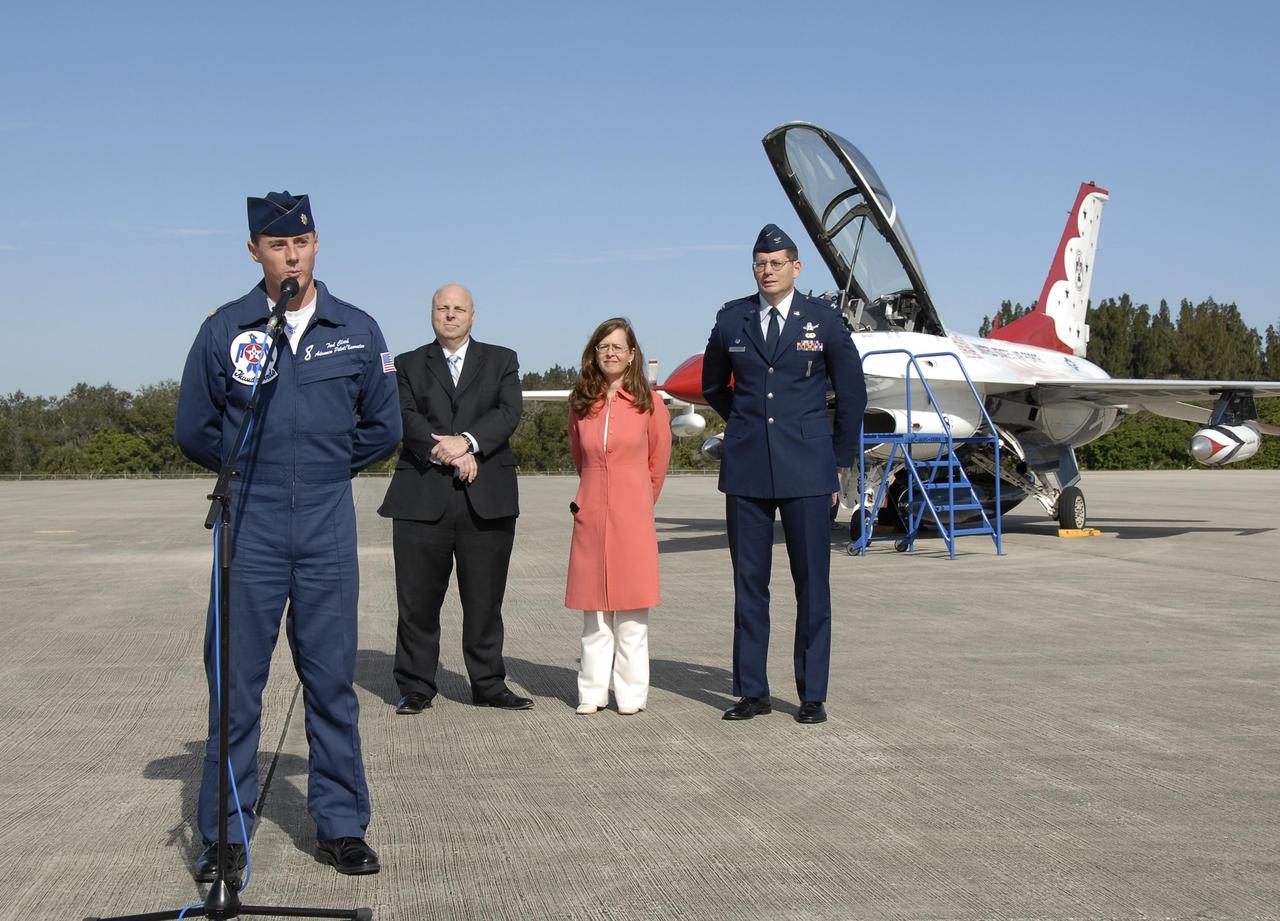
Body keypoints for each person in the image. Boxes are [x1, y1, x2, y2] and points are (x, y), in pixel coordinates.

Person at [175, 191, 402, 880]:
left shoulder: (357, 328)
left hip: (327, 517)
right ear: (255, 252)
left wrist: (326, 467)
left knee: (331, 678)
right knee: (238, 684)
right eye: (277, 245)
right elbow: (194, 425)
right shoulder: (227, 329)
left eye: (300, 242)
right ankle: (225, 833)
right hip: (251, 517)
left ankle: (339, 825)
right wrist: (252, 470)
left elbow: (383, 425)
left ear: (316, 244)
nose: (291, 254)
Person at [701, 223, 867, 724]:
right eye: (759, 264)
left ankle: (812, 693)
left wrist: (838, 460)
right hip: (748, 470)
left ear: (796, 267)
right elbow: (714, 386)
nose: (767, 271)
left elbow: (853, 394)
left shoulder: (823, 320)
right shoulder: (733, 320)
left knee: (812, 583)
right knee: (749, 584)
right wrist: (749, 426)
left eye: (776, 264)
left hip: (809, 469)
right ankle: (752, 691)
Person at [378, 284, 532, 714]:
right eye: (442, 308)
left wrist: (467, 443)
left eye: (458, 308)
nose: (450, 315)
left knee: (485, 600)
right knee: (417, 601)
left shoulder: (503, 360)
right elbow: (403, 416)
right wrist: (445, 452)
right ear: (432, 313)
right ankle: (415, 686)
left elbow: (508, 413)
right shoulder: (406, 364)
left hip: (488, 497)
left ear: (472, 315)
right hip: (421, 496)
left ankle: (487, 683)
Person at [565, 319, 672, 715]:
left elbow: (657, 462)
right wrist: (591, 495)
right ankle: (591, 693)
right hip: (591, 511)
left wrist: (639, 501)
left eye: (618, 347)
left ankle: (630, 695)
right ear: (594, 353)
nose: (610, 353)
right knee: (594, 614)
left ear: (631, 355)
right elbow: (580, 457)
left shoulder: (649, 404)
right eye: (603, 346)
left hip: (632, 514)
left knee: (631, 615)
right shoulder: (581, 402)